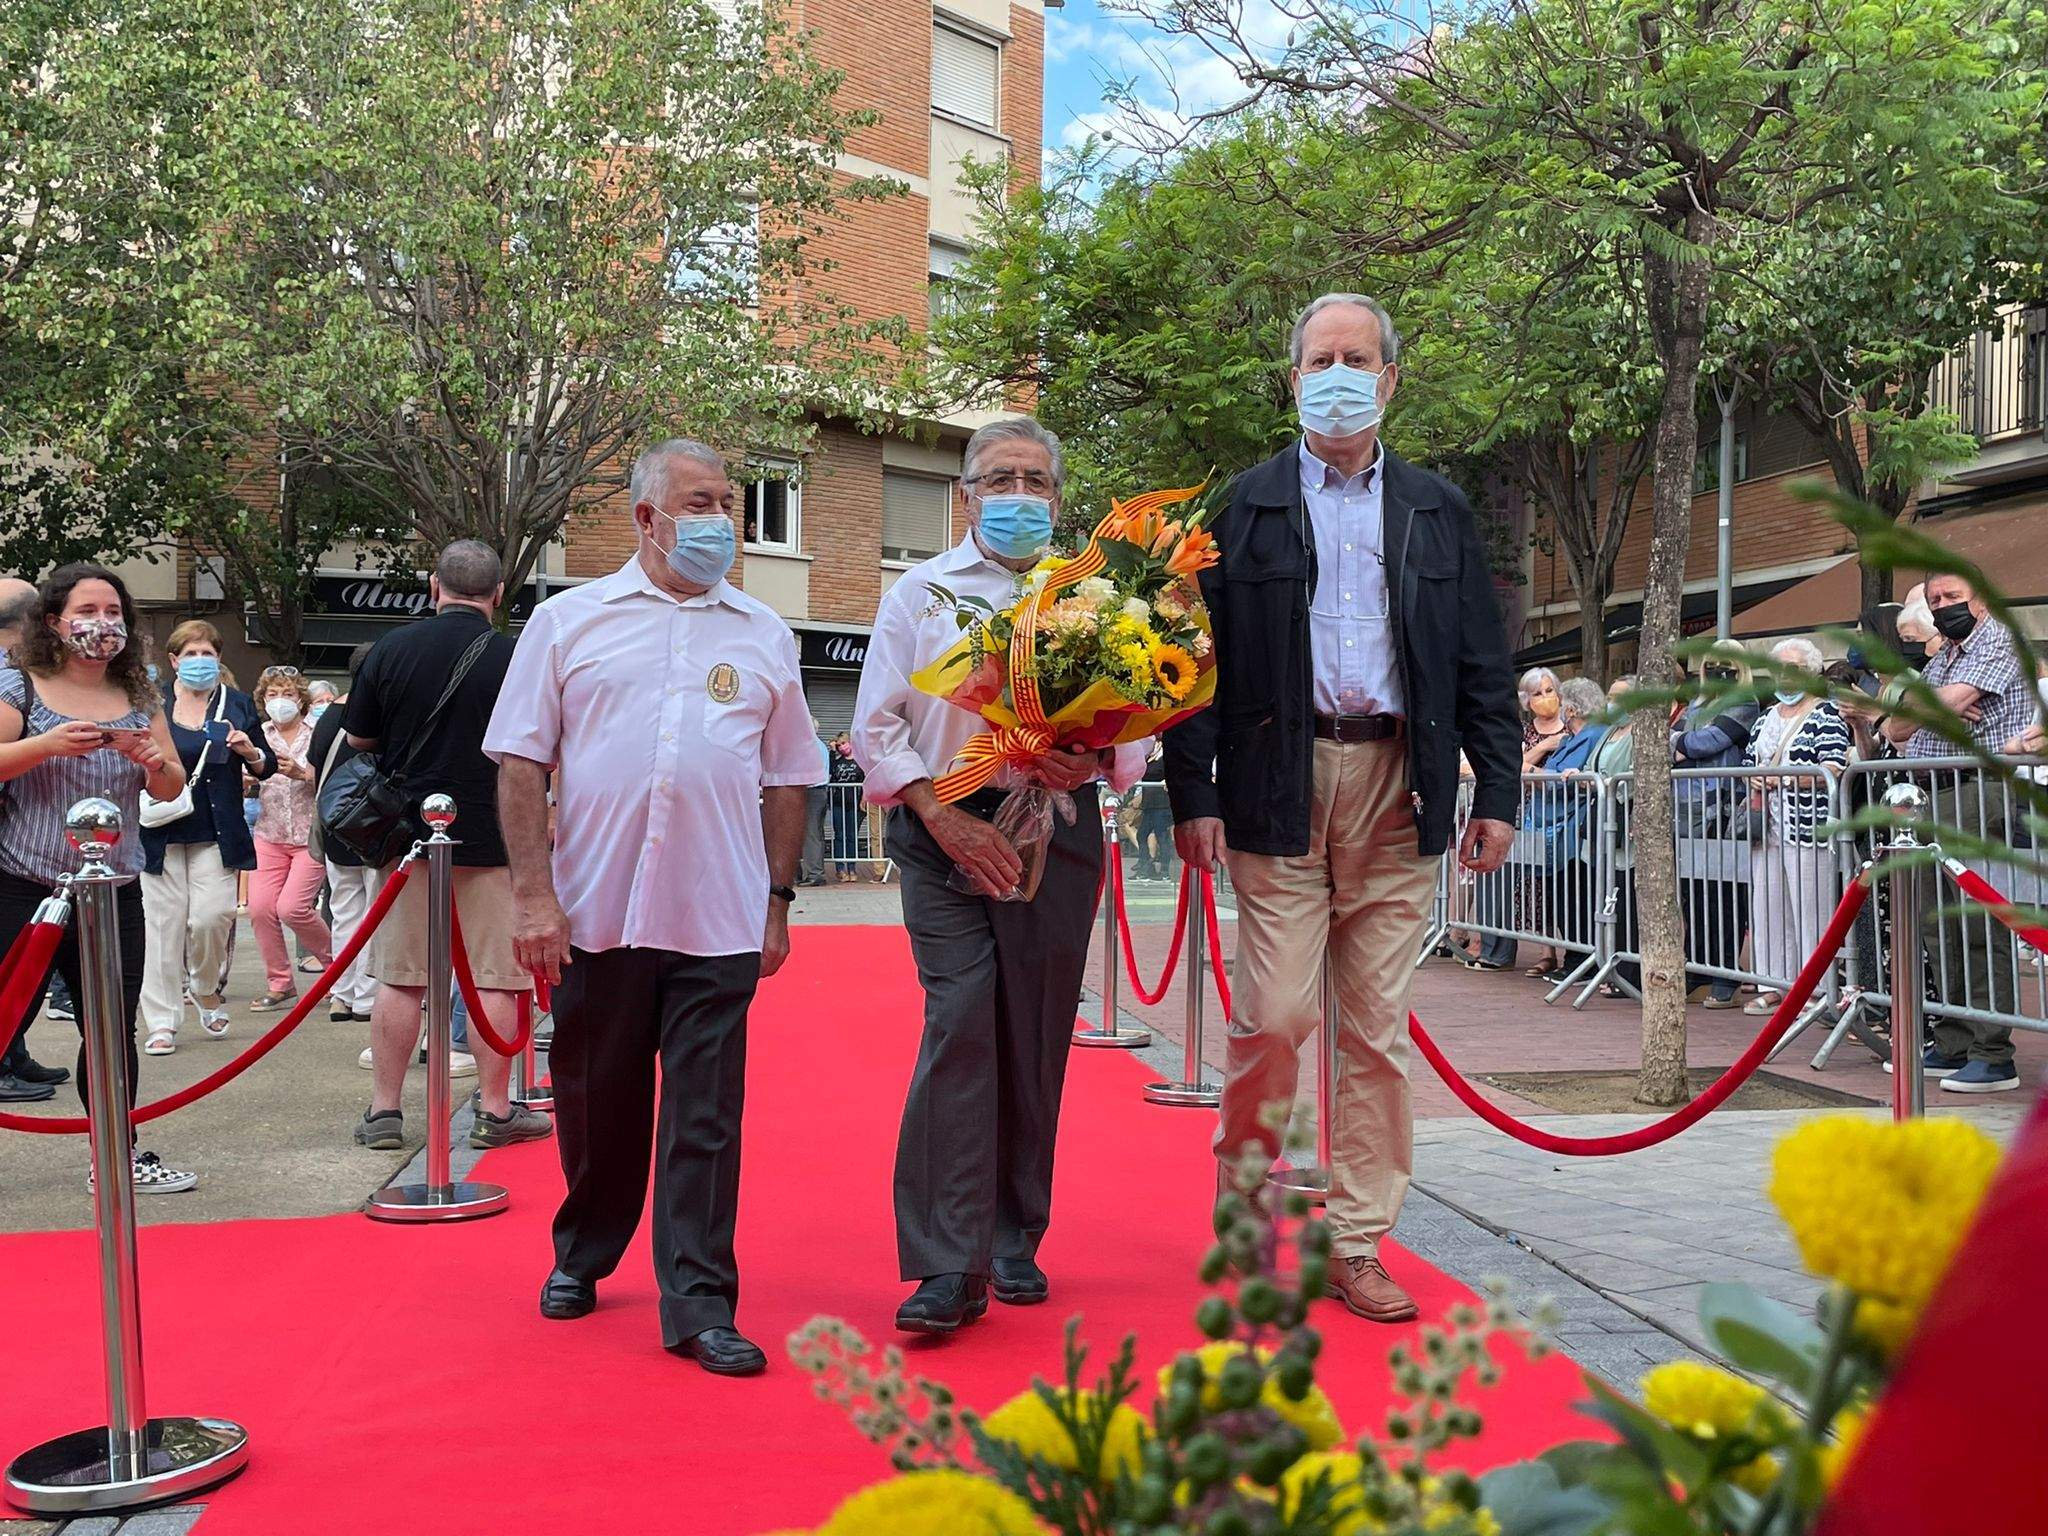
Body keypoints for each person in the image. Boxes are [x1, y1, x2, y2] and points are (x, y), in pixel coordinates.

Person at [1164, 293, 1520, 1325]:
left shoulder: (1436, 509)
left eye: (1355, 359)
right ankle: (1244, 1209)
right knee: (1274, 1018)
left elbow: (1480, 661)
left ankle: (1357, 1241)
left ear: (1389, 379)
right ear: (1292, 380)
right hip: (1274, 780)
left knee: (1373, 1032)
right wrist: (1193, 793)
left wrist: (1495, 790)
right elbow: (1191, 663)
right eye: (1319, 360)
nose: (1337, 376)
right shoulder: (1242, 506)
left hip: (1399, 782)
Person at [489, 439, 818, 1376]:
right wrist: (533, 896)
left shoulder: (763, 632)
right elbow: (520, 762)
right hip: (595, 915)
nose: (723, 521)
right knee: (599, 1104)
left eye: (728, 504)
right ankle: (585, 1250)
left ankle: (700, 1301)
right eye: (701, 503)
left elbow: (790, 775)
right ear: (648, 518)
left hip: (718, 916)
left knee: (706, 1118)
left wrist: (777, 900)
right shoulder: (569, 622)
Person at [853, 415, 1149, 1335]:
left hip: (1057, 827)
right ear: (967, 495)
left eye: (1035, 481)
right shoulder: (920, 595)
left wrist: (1090, 757)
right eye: (999, 480)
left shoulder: (1094, 596)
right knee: (962, 1019)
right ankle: (948, 1261)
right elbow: (876, 725)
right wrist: (938, 815)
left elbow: (1134, 732)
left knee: (1035, 1028)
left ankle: (1015, 1233)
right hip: (943, 827)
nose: (1018, 497)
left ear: (1058, 497)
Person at [344, 540, 552, 1150]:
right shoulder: (515, 657)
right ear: (498, 594)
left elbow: (358, 739)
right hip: (496, 833)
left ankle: (385, 1111)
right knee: (495, 978)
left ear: (434, 587)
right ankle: (495, 1110)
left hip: (407, 836)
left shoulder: (391, 648)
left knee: (402, 976)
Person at [0, 564, 197, 1189]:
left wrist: (152, 759)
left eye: (113, 612)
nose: (102, 624)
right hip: (26, 885)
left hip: (113, 890)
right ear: (54, 621)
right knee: (5, 1016)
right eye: (87, 611)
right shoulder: (18, 684)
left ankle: (115, 1154)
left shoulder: (139, 694)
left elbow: (170, 785)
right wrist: (48, 745)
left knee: (110, 1028)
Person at [1882, 571, 2034, 1092]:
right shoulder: (1945, 655)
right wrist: (1932, 706)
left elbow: (1922, 711)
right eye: (1936, 599)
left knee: (1976, 922)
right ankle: (1954, 1040)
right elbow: (1894, 728)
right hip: (1933, 793)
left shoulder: (2001, 640)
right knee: (1935, 923)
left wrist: (1927, 707)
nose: (1944, 605)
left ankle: (1993, 1052)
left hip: (1980, 789)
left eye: (1953, 597)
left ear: (1981, 600)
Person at [137, 621, 276, 1055]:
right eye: (191, 654)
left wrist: (250, 752)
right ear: (174, 660)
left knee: (212, 917)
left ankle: (203, 987)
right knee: (162, 928)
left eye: (208, 654)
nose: (200, 661)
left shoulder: (236, 703)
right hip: (160, 830)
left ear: (219, 659)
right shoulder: (151, 703)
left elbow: (266, 764)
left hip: (216, 829)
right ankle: (162, 1022)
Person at [1742, 640, 1853, 1017]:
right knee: (1767, 907)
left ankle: (1816, 989)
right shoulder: (1765, 717)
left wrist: (1785, 779)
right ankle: (1774, 985)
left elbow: (1834, 768)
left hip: (1809, 828)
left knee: (1811, 909)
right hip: (1766, 827)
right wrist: (1754, 779)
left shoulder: (1826, 715)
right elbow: (1746, 763)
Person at [244, 667, 333, 1012]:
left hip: (310, 834)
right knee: (260, 908)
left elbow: (331, 780)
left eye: (287, 694)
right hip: (269, 833)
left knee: (292, 908)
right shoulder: (258, 734)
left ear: (300, 699)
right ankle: (280, 984)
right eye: (272, 694)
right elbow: (247, 774)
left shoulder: (317, 732)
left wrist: (300, 773)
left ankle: (338, 970)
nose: (279, 701)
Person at [1673, 653, 1759, 1008]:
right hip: (1687, 809)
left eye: (1728, 667)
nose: (1719, 672)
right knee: (1693, 894)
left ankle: (1725, 975)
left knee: (1723, 895)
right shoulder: (1696, 703)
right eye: (1711, 666)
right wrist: (1683, 741)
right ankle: (1697, 970)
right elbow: (1679, 738)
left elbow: (1708, 741)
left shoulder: (1744, 702)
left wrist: (1681, 743)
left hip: (1722, 810)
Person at [312, 642, 381, 1024]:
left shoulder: (328, 717)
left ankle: (342, 994)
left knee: (343, 914)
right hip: (377, 828)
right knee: (376, 916)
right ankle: (368, 998)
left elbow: (313, 772)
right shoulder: (385, 713)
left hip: (337, 826)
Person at [1524, 676, 1608, 968]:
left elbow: (1571, 778)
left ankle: (1580, 961)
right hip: (1552, 828)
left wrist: (1532, 773)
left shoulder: (1593, 735)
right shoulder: (1569, 739)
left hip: (1572, 826)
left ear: (1571, 709)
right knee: (1560, 896)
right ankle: (1573, 958)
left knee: (1575, 896)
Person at [1592, 675, 1641, 997]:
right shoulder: (1609, 731)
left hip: (1628, 820)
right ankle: (1611, 965)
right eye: (1610, 696)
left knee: (1627, 900)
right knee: (1609, 896)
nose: (1613, 703)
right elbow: (1593, 766)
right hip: (1604, 819)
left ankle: (1630, 974)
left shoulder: (1639, 733)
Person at [826, 730, 866, 882]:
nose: (842, 747)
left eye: (844, 743)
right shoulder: (837, 762)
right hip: (838, 803)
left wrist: (863, 800)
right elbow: (829, 770)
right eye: (839, 745)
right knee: (839, 835)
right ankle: (840, 869)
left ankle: (852, 868)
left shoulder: (859, 762)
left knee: (852, 836)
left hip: (853, 804)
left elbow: (865, 781)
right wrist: (832, 751)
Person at [798, 717, 831, 885]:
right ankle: (815, 872)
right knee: (815, 833)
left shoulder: (810, 747)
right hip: (819, 792)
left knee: (811, 833)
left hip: (812, 791)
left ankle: (814, 874)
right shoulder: (820, 745)